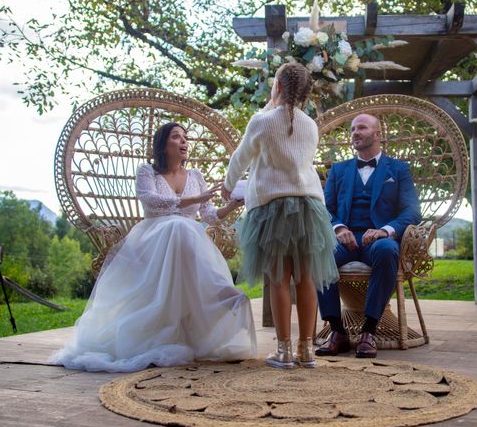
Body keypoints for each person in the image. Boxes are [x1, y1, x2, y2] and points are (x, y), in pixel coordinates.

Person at [51, 122, 257, 372]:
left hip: (189, 241)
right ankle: (192, 306)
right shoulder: (147, 171)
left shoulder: (196, 176)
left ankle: (218, 297)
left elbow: (209, 215)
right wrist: (193, 199)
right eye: (176, 137)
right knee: (178, 227)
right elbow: (150, 200)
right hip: (153, 240)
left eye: (185, 138)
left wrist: (233, 205)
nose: (183, 142)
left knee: (184, 228)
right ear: (162, 144)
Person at [222, 62, 338, 369]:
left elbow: (241, 157)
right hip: (309, 206)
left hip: (273, 208)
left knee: (279, 278)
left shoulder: (262, 121)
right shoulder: (310, 125)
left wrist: (227, 186)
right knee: (307, 278)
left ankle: (284, 351)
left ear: (279, 86)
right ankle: (307, 350)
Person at [315, 113, 421, 359]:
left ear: (377, 134)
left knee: (387, 250)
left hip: (379, 239)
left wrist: (386, 230)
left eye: (361, 128)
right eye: (352, 129)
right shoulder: (339, 170)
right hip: (346, 239)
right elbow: (326, 209)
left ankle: (369, 331)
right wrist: (339, 228)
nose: (355, 133)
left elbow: (412, 211)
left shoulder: (398, 169)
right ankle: (338, 331)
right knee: (320, 253)